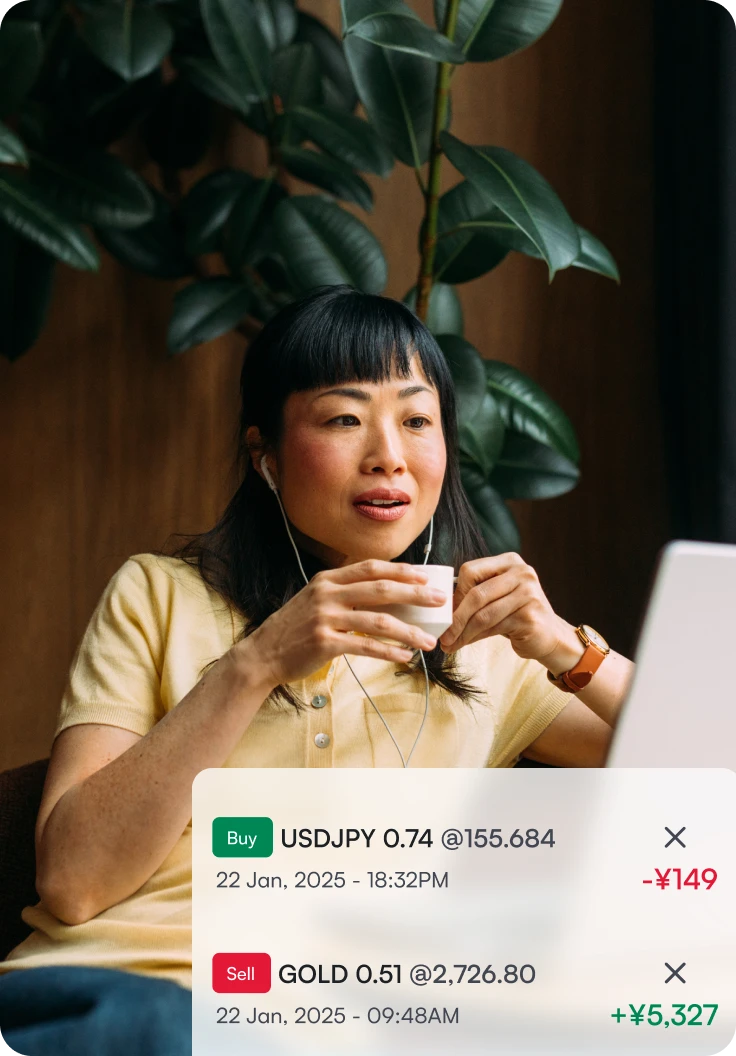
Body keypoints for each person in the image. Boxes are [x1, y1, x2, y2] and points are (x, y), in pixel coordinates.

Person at [0, 284, 634, 1052]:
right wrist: (259, 661)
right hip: (124, 996)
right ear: (263, 454)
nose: (388, 456)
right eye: (343, 418)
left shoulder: (489, 650)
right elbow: (73, 881)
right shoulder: (159, 594)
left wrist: (569, 649)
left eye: (416, 420)